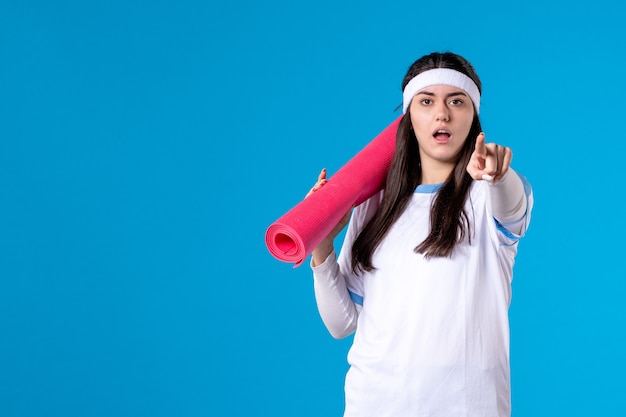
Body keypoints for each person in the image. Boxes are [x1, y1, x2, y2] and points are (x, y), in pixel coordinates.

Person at [307, 51, 534, 417]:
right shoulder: (374, 205)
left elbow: (512, 204)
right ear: (409, 117)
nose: (441, 113)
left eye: (456, 102)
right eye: (426, 101)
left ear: (472, 117)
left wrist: (497, 174)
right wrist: (322, 245)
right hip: (373, 404)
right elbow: (342, 324)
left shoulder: (487, 197)